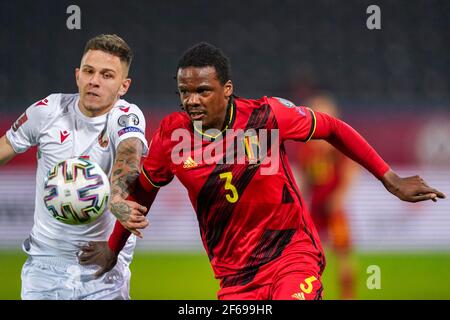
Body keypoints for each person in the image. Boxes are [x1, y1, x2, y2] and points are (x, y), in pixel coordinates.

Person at [79, 42, 445, 300]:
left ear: (227, 89)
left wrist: (390, 178)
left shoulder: (267, 117)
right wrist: (114, 247)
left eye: (203, 90)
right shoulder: (172, 137)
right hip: (234, 277)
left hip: (291, 255)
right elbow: (144, 191)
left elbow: (331, 128)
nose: (192, 100)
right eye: (184, 91)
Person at [0, 34, 149, 299]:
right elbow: (3, 148)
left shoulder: (126, 116)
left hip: (102, 266)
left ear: (123, 86)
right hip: (44, 264)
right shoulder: (48, 111)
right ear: (77, 75)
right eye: (89, 71)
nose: (95, 81)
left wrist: (116, 196)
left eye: (107, 75)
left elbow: (129, 152)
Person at [297, 93, 359, 299]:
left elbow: (351, 170)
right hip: (314, 208)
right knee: (307, 256)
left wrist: (339, 197)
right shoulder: (309, 147)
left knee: (343, 255)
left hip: (333, 209)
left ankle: (347, 296)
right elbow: (306, 178)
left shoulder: (337, 143)